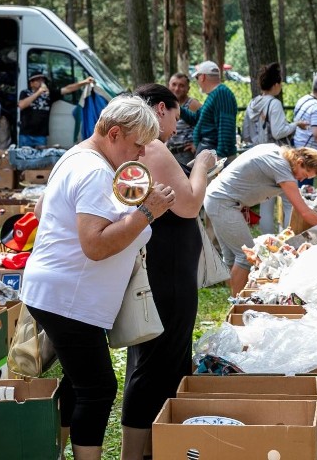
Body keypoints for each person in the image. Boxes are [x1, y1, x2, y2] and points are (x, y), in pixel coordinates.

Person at [20, 95, 175, 460]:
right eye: (137, 146)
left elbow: (44, 210)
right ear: (115, 133)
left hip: (62, 293)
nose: (139, 156)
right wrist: (146, 213)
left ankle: (56, 449)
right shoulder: (95, 171)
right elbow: (95, 244)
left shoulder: (78, 157)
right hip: (71, 299)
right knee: (99, 388)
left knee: (79, 383)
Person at [121, 84, 217, 460]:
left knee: (164, 357)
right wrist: (203, 166)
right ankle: (137, 452)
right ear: (160, 109)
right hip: (167, 269)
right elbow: (190, 204)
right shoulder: (153, 147)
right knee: (155, 361)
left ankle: (160, 445)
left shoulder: (142, 148)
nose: (177, 126)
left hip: (165, 265)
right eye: (176, 117)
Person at [204, 145, 317, 295]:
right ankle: (239, 304)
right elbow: (304, 211)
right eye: (305, 175)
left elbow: (294, 207)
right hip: (223, 202)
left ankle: (233, 304)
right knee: (246, 256)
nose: (302, 179)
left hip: (217, 197)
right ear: (299, 162)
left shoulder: (280, 155)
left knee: (232, 257)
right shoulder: (282, 167)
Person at [243, 63, 309, 234]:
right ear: (276, 85)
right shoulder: (274, 104)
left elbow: (246, 133)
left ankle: (267, 242)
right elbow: (279, 131)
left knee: (266, 201)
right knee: (289, 202)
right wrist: (295, 125)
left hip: (258, 156)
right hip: (278, 156)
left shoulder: (252, 104)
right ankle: (287, 240)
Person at [18, 72, 95, 147]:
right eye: (38, 80)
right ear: (31, 83)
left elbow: (67, 89)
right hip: (25, 135)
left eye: (42, 80)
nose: (41, 82)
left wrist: (85, 82)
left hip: (41, 136)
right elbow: (21, 105)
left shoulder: (49, 94)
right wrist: (39, 92)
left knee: (40, 159)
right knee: (22, 158)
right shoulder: (25, 93)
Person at [179, 61, 238, 159]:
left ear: (202, 77)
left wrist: (219, 158)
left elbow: (225, 128)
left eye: (197, 78)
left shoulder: (222, 93)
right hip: (209, 151)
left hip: (215, 153)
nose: (198, 82)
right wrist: (176, 106)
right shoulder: (214, 95)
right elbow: (195, 118)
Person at [166, 72, 201, 165]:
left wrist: (196, 143)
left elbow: (208, 125)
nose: (177, 89)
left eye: (181, 85)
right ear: (168, 85)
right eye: (174, 84)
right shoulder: (166, 104)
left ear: (188, 89)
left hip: (186, 154)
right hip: (169, 153)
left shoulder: (193, 104)